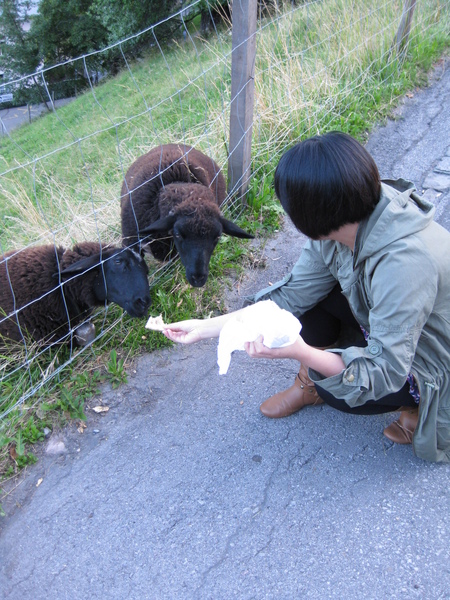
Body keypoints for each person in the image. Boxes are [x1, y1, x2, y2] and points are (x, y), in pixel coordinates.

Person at [162, 132, 450, 463]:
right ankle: (311, 383)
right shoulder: (349, 218)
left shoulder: (403, 264)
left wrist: (300, 352)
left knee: (338, 388)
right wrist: (205, 327)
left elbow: (381, 373)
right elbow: (289, 297)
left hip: (435, 358)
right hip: (400, 325)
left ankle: (417, 402)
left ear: (311, 214)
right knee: (301, 312)